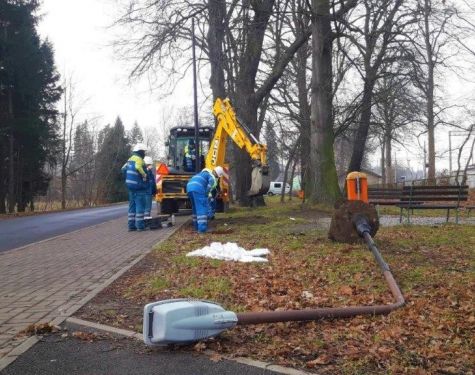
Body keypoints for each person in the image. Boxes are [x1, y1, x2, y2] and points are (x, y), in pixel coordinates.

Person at [186, 166, 224, 233]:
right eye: (218, 176)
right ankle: (202, 229)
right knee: (201, 208)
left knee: (195, 208)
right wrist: (206, 194)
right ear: (217, 174)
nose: (217, 178)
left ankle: (196, 227)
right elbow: (209, 186)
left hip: (189, 187)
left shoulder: (203, 173)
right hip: (198, 188)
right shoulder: (212, 177)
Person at [122, 143, 149, 231]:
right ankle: (140, 226)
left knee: (132, 207)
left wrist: (128, 178)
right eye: (144, 152)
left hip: (130, 187)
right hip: (139, 187)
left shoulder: (129, 160)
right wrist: (144, 175)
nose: (144, 154)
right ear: (140, 152)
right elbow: (140, 168)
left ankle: (131, 226)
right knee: (140, 206)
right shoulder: (140, 160)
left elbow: (123, 170)